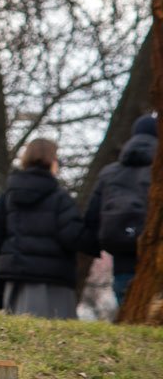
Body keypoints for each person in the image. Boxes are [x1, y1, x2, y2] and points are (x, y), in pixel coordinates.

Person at [0, 139, 98, 318]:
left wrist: (11, 250)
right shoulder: (60, 199)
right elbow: (72, 236)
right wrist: (97, 241)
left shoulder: (8, 197)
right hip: (53, 281)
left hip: (15, 279)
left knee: (17, 336)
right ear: (52, 162)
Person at [84, 112, 158, 307]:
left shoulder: (110, 172)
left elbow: (92, 216)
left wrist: (92, 247)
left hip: (122, 258)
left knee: (129, 313)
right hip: (156, 257)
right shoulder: (157, 172)